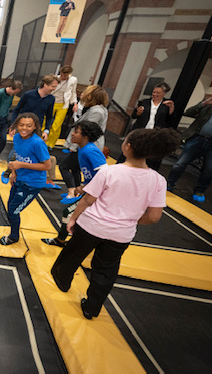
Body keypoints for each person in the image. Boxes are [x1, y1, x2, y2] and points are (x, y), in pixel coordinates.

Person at [50, 128, 181, 319]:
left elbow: (87, 200)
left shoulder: (109, 172)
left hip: (91, 226)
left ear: (127, 146)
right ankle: (91, 308)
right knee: (105, 270)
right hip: (121, 234)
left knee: (71, 256)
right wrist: (129, 219)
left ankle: (62, 282)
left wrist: (73, 219)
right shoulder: (158, 180)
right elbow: (153, 217)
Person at [43, 121, 107, 247]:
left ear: (86, 136)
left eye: (76, 132)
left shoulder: (90, 150)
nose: (72, 134)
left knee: (69, 212)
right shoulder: (82, 150)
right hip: (92, 190)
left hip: (97, 193)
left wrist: (84, 187)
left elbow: (104, 174)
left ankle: (61, 240)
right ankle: (72, 241)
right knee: (78, 215)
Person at [0, 113, 51, 246]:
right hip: (19, 179)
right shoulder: (17, 137)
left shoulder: (37, 143)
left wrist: (21, 165)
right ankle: (13, 231)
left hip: (32, 184)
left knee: (13, 210)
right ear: (17, 125)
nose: (24, 128)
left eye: (29, 126)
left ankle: (14, 236)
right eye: (21, 125)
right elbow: (18, 156)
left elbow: (47, 165)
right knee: (10, 207)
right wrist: (14, 172)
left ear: (34, 127)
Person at [59, 85, 109, 199]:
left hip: (87, 145)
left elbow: (86, 130)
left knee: (64, 166)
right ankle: (77, 192)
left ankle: (72, 191)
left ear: (91, 96)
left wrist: (74, 146)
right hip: (85, 145)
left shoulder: (97, 111)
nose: (82, 95)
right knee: (76, 168)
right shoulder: (97, 109)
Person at [166, 95, 212, 202]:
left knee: (209, 170)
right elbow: (188, 112)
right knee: (180, 163)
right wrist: (204, 103)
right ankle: (170, 183)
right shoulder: (210, 104)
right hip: (197, 138)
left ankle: (199, 191)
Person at [117, 82, 174, 170]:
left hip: (154, 134)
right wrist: (138, 113)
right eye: (154, 92)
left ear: (164, 93)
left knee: (149, 153)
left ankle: (143, 171)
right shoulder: (145, 102)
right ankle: (119, 167)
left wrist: (171, 110)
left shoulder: (166, 105)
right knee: (131, 149)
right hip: (141, 131)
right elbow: (134, 115)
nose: (155, 94)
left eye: (158, 93)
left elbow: (169, 120)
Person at [10, 74, 58, 142]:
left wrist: (46, 131)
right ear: (45, 85)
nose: (54, 89)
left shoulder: (51, 99)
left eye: (55, 87)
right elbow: (16, 110)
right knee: (19, 148)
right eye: (53, 86)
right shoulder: (28, 95)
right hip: (23, 127)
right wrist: (13, 125)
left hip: (36, 129)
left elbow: (49, 116)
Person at [45, 66, 78, 149]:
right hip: (52, 102)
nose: (63, 77)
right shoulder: (55, 79)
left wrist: (75, 103)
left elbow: (73, 92)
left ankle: (50, 144)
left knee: (56, 125)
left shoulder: (73, 80)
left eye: (65, 76)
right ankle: (42, 141)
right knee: (45, 122)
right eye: (62, 75)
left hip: (63, 105)